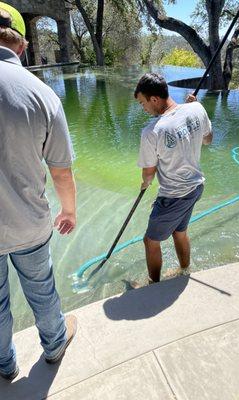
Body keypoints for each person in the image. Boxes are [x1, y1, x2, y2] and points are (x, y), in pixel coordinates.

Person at [0, 2, 77, 381]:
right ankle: (54, 344)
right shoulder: (41, 93)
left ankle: (4, 364)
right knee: (41, 290)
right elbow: (61, 172)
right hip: (29, 223)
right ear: (24, 45)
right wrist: (69, 212)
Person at [135, 73, 212, 283]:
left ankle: (153, 285)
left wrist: (145, 183)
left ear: (154, 99)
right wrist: (193, 111)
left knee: (150, 241)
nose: (143, 108)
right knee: (180, 232)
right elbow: (208, 139)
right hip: (196, 188)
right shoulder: (196, 108)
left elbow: (149, 173)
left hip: (174, 195)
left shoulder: (151, 131)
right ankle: (185, 270)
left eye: (143, 103)